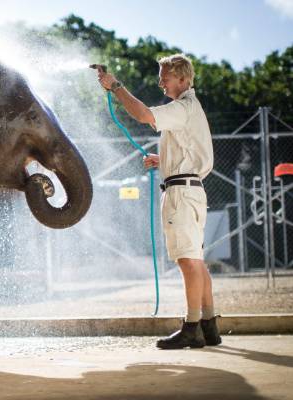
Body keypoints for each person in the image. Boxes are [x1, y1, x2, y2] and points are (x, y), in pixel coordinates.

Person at [96, 54, 221, 349]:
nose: (160, 81)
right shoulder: (191, 108)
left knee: (188, 261)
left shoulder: (182, 108)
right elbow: (188, 151)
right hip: (191, 189)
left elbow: (142, 115)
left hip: (181, 193)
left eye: (165, 76)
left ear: (182, 79)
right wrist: (162, 158)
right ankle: (209, 325)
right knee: (196, 260)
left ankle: (191, 328)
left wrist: (116, 87)